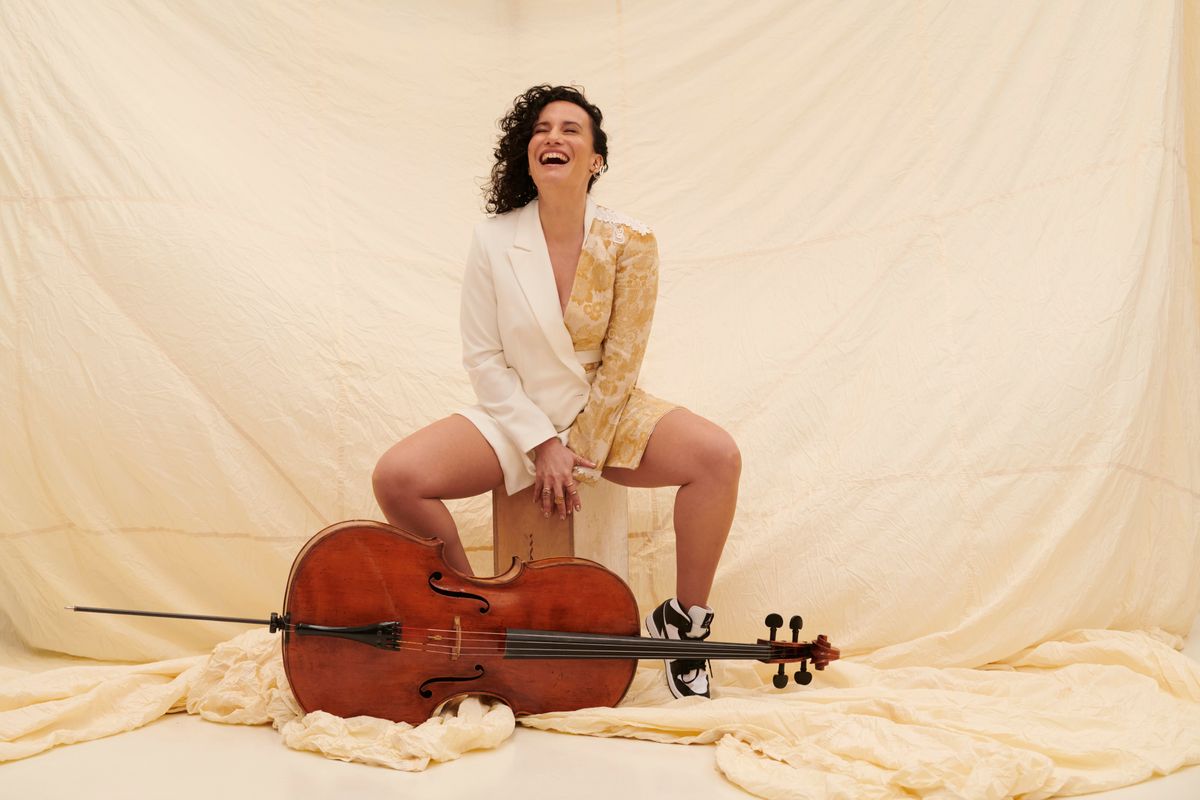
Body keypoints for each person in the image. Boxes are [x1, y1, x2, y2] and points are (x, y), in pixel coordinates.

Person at [372, 84, 741, 699]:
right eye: (542, 129)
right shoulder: (493, 238)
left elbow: (623, 359)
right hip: (517, 409)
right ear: (528, 152)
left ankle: (685, 626)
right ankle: (474, 615)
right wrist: (541, 443)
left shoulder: (632, 240)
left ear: (595, 159)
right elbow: (483, 357)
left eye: (571, 130)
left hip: (604, 407)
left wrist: (579, 452)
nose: (553, 137)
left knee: (718, 457)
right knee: (397, 476)